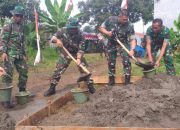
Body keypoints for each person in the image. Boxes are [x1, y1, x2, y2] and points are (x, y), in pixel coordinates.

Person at [44, 18, 95, 97]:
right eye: (70, 28)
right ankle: (52, 88)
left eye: (73, 28)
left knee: (85, 70)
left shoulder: (81, 34)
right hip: (65, 52)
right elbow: (53, 38)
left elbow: (81, 49)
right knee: (58, 70)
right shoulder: (63, 30)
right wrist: (57, 41)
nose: (71, 30)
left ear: (76, 28)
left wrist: (78, 59)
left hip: (77, 53)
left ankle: (91, 87)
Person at [99, 9, 136, 87]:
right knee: (111, 62)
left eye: (127, 19)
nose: (125, 21)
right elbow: (101, 28)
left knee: (126, 61)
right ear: (119, 17)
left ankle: (127, 82)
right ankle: (111, 82)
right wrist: (107, 33)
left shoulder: (130, 25)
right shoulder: (110, 19)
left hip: (123, 43)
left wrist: (132, 49)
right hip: (111, 43)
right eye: (124, 19)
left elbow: (132, 39)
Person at [1, 5, 28, 108]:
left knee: (24, 72)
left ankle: (22, 93)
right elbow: (3, 40)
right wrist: (4, 52)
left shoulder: (22, 26)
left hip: (20, 54)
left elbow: (22, 41)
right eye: (17, 16)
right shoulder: (8, 25)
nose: (19, 18)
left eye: (20, 16)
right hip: (9, 54)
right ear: (13, 15)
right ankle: (5, 100)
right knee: (7, 75)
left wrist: (25, 54)